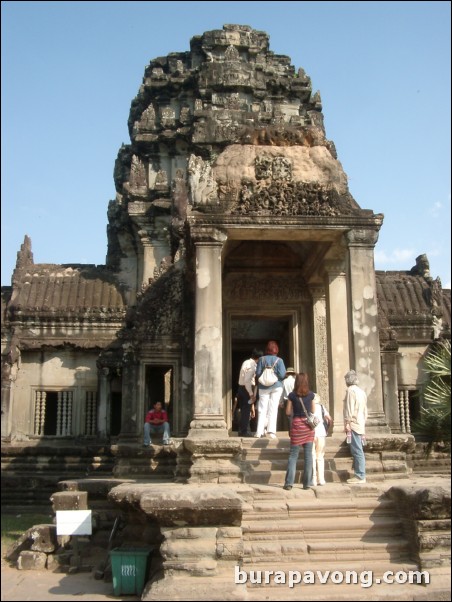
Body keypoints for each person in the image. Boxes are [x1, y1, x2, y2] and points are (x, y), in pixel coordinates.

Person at [283, 372, 316, 490]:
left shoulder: (292, 395)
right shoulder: (311, 394)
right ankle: (307, 483)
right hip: (308, 427)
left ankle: (289, 483)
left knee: (293, 455)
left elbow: (287, 412)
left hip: (297, 425)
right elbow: (313, 409)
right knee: (308, 456)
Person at [254, 340, 286, 439]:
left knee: (262, 409)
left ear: (267, 349)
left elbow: (258, 373)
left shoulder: (261, 359)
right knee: (273, 409)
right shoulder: (279, 360)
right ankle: (271, 431)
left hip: (263, 387)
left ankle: (259, 432)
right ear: (276, 350)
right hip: (276, 386)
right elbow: (282, 374)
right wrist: (275, 376)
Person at [343, 370, 368, 484]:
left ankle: (360, 475)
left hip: (353, 423)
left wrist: (347, 422)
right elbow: (365, 410)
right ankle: (360, 473)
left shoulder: (350, 391)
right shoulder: (361, 391)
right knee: (359, 449)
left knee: (357, 450)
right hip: (361, 422)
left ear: (348, 380)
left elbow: (349, 408)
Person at [237, 349, 263, 437]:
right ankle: (244, 431)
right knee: (246, 411)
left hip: (241, 388)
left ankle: (241, 430)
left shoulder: (246, 362)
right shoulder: (252, 365)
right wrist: (251, 394)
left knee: (244, 410)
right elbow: (247, 381)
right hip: (246, 389)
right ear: (258, 358)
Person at [311, 402, 332, 486]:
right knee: (320, 456)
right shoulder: (322, 407)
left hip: (311, 433)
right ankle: (321, 479)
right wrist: (327, 429)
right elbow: (329, 419)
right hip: (321, 433)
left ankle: (313, 479)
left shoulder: (307, 405)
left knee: (312, 456)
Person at [280, 366, 296, 432]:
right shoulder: (295, 381)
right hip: (295, 400)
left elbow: (281, 392)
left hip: (287, 400)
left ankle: (290, 430)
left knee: (288, 416)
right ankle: (294, 430)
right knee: (295, 415)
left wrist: (281, 402)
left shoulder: (284, 381)